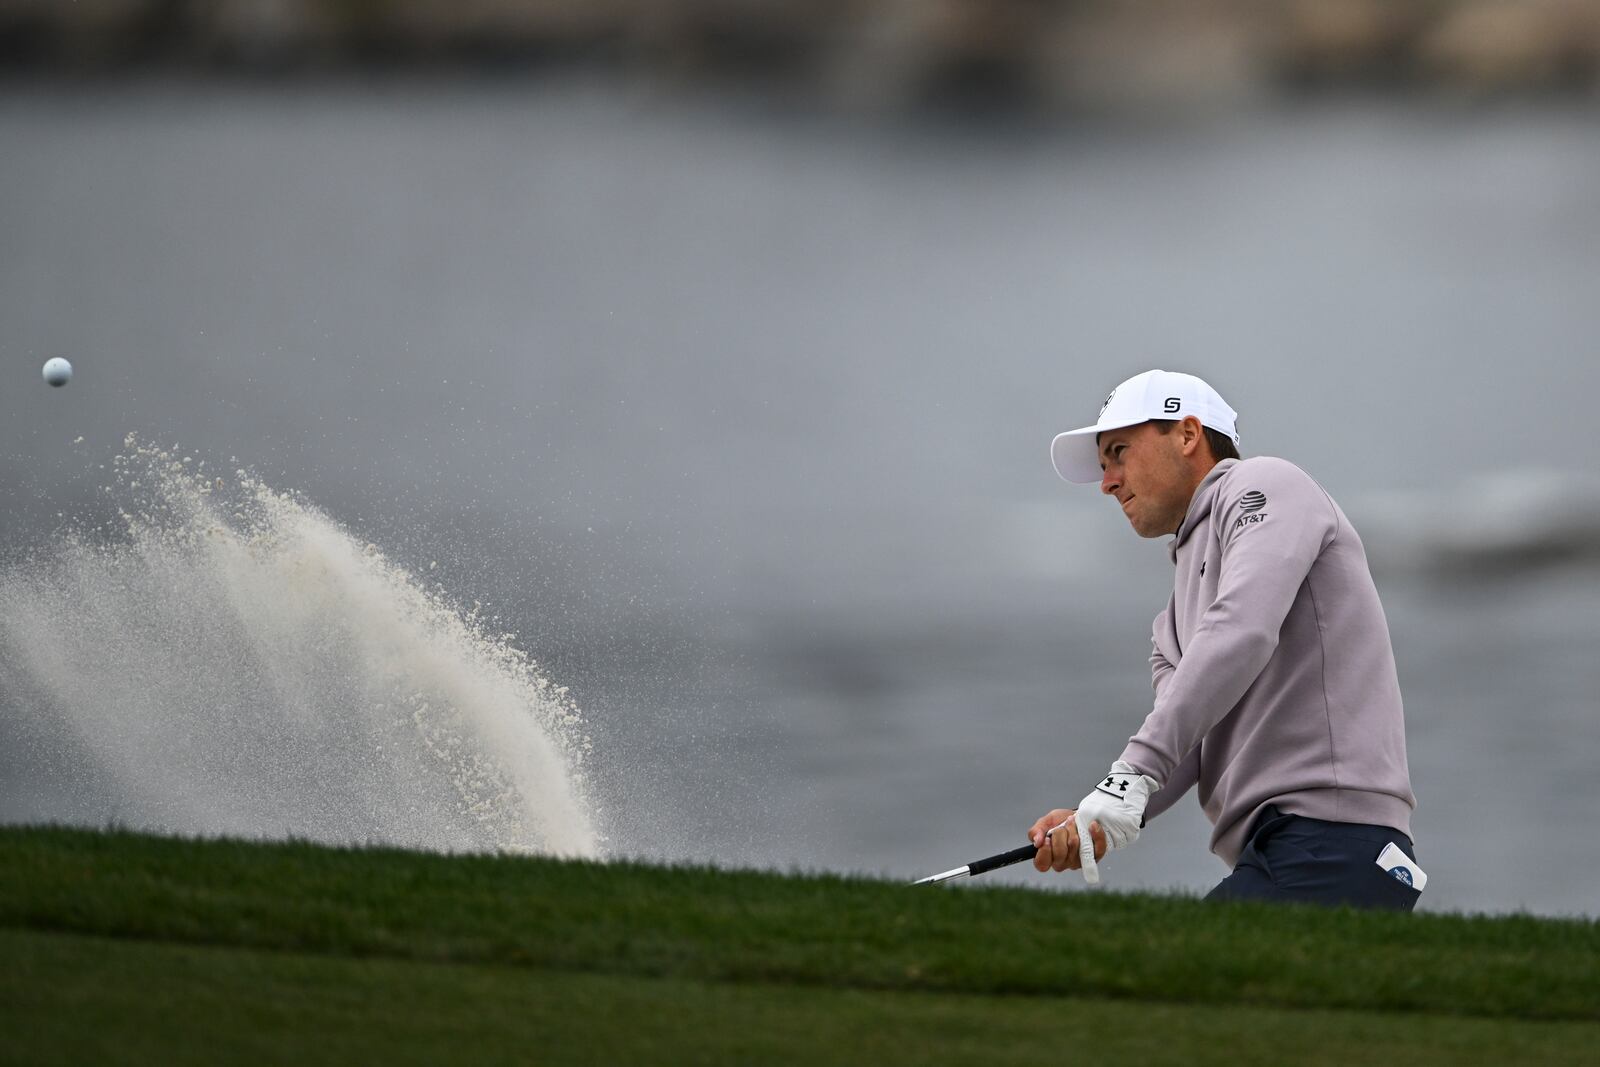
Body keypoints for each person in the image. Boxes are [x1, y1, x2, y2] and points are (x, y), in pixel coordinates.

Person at [1027, 369, 1422, 909]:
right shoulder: (1170, 624)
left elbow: (1242, 629)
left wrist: (1131, 774)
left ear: (1188, 435)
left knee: (1170, 980)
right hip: (1280, 850)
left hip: (1335, 837)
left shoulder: (1264, 485)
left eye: (1119, 452)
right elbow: (1188, 740)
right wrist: (1100, 814)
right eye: (1103, 465)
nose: (1108, 482)